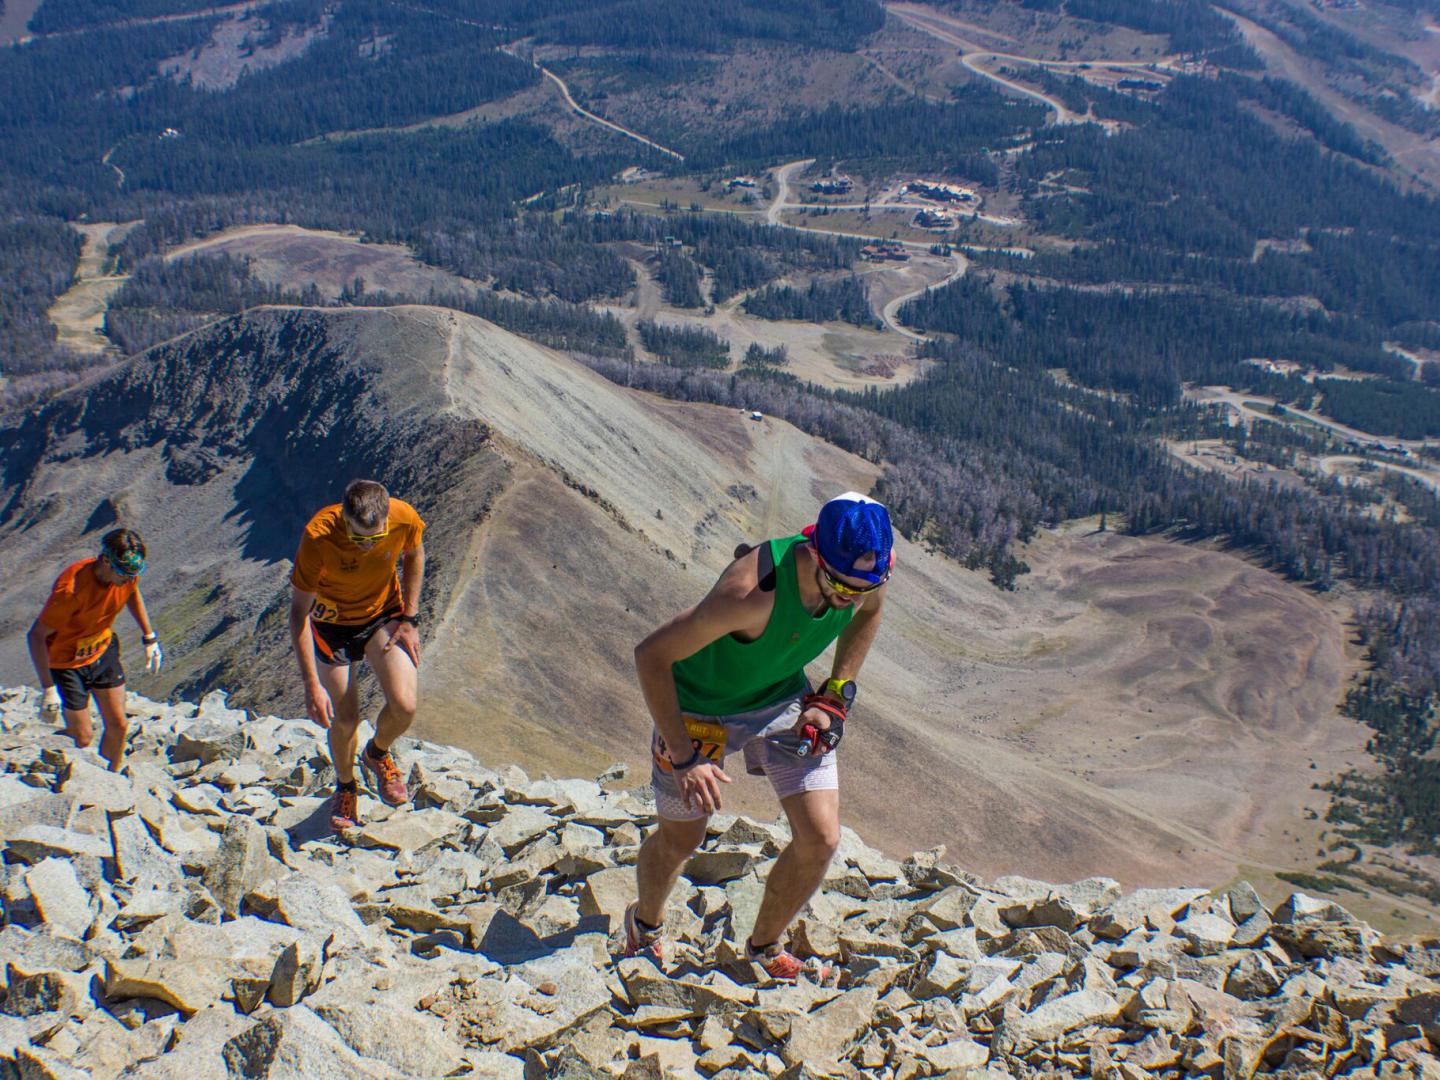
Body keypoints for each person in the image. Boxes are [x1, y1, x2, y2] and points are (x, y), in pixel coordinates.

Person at [627, 491, 894, 981]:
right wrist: (685, 758)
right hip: (696, 707)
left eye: (862, 587)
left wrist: (834, 695)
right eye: (838, 585)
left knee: (821, 837)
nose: (848, 599)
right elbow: (651, 656)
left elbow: (869, 611)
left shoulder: (864, 572)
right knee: (682, 839)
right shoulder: (750, 593)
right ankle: (644, 925)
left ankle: (764, 945)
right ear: (814, 551)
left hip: (779, 697)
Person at [289, 479, 426, 832]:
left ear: (386, 517)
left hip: (382, 614)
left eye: (375, 538)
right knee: (346, 717)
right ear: (343, 518)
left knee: (405, 706)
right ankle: (346, 785)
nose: (366, 547)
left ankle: (376, 754)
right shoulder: (318, 536)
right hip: (332, 625)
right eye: (357, 537)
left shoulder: (404, 518)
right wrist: (310, 684)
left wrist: (409, 618)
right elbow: (298, 612)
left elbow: (415, 553)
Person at [27, 529, 163, 771]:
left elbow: (132, 592)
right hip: (66, 662)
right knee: (82, 737)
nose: (128, 579)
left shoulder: (127, 574)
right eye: (123, 573)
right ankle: (49, 760)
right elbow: (36, 636)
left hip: (102, 650)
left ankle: (109, 779)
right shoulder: (70, 591)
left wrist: (149, 637)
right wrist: (48, 689)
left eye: (134, 574)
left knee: (119, 725)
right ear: (106, 561)